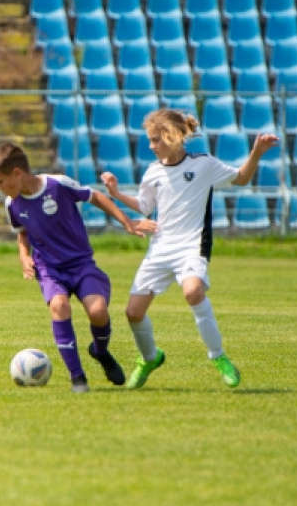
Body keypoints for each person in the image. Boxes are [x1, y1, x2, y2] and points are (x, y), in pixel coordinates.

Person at [101, 109, 279, 390]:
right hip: (160, 247)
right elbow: (145, 206)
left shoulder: (203, 165)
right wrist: (116, 193)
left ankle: (219, 357)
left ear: (172, 137)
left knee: (193, 291)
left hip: (191, 245)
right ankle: (149, 358)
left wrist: (257, 152)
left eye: (156, 139)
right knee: (133, 313)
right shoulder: (153, 171)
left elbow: (241, 179)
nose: (151, 145)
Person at [0, 142, 155, 393]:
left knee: (98, 312)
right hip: (49, 268)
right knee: (59, 305)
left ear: (17, 174)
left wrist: (126, 222)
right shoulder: (12, 204)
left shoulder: (58, 185)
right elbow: (22, 234)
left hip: (81, 263)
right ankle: (78, 377)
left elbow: (95, 196)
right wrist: (24, 257)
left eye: (0, 182)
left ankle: (100, 352)